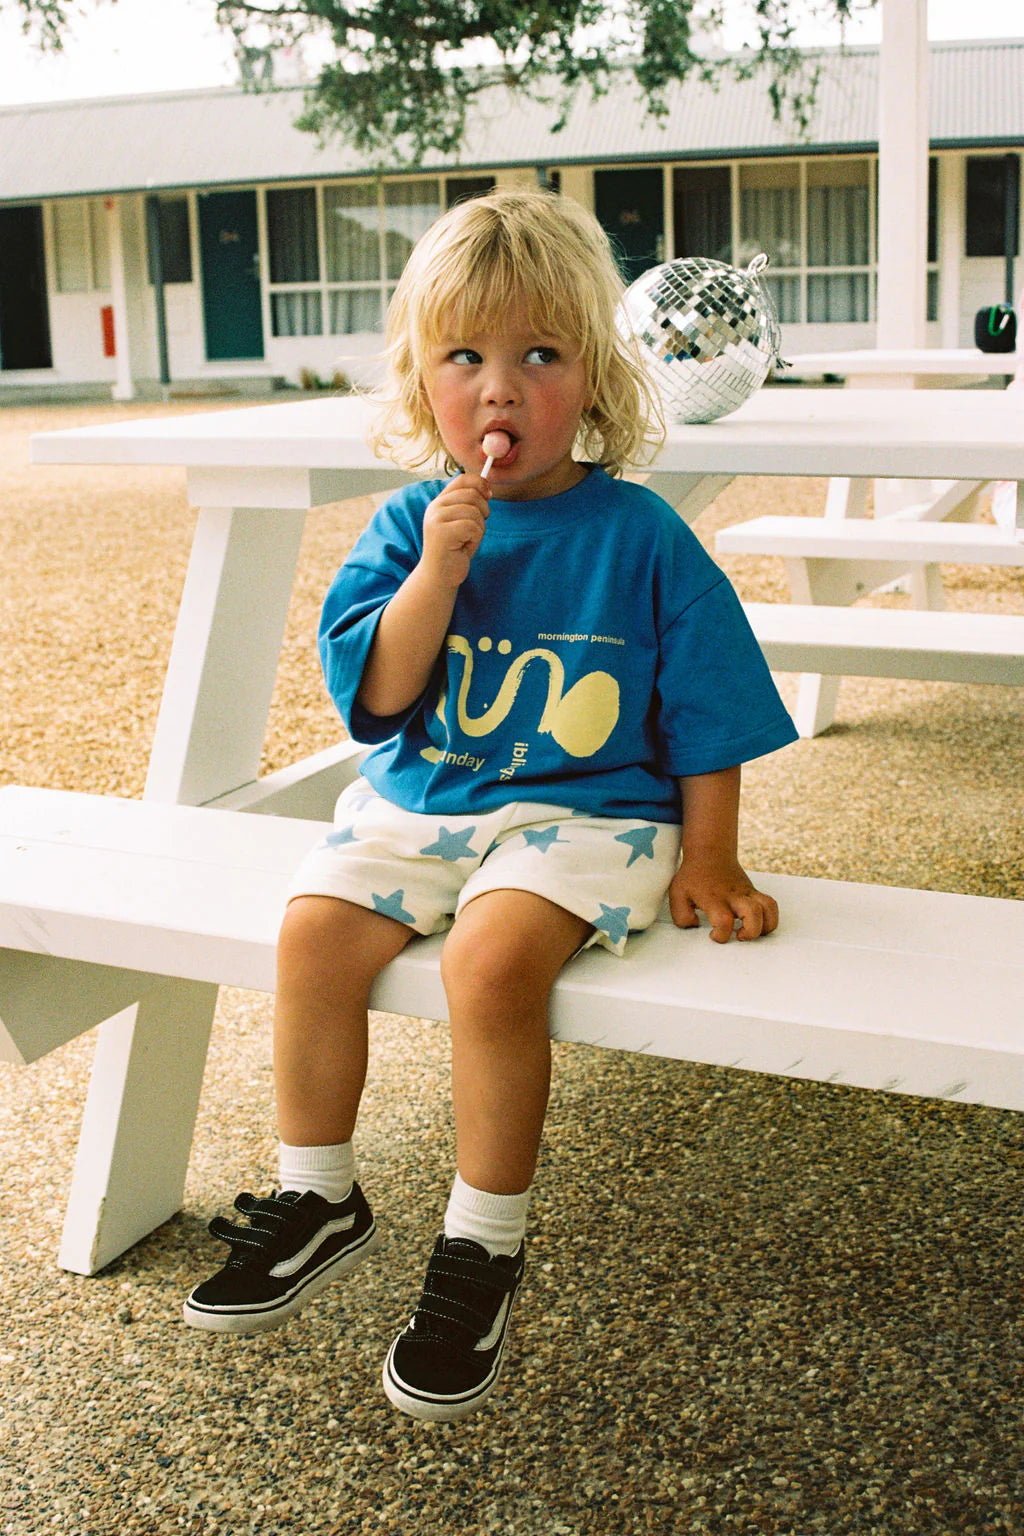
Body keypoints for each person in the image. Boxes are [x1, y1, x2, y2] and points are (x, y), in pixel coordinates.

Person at [183, 188, 798, 1422]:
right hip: (421, 800)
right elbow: (378, 696)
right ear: (423, 379)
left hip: (584, 814)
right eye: (465, 357)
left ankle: (482, 1243)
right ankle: (320, 1193)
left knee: (493, 959)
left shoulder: (640, 538)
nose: (500, 390)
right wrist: (436, 572)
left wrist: (713, 857)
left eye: (539, 356)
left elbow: (711, 710)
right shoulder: (411, 523)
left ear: (597, 376)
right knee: (310, 931)